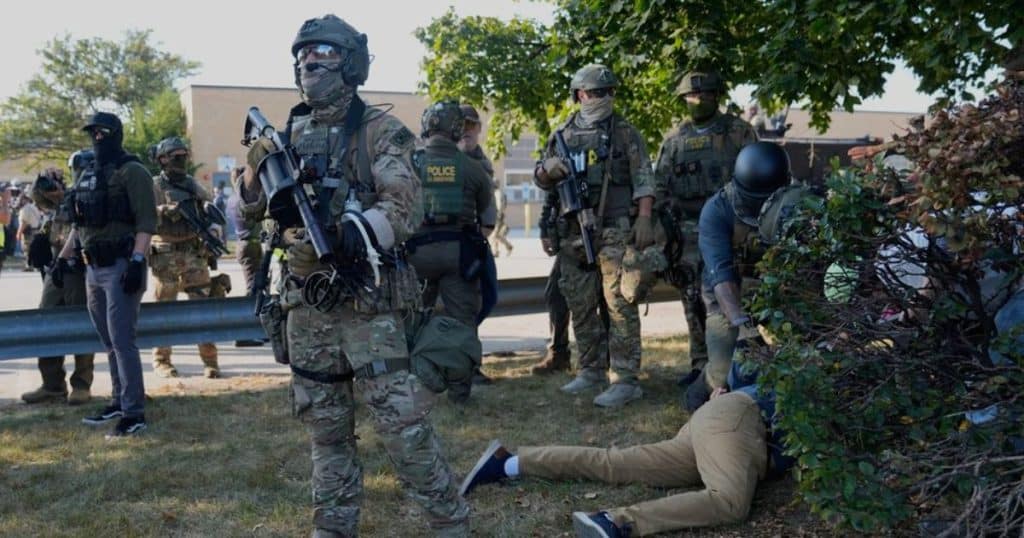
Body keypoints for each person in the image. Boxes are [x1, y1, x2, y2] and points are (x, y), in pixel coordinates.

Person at [241, 15, 469, 536]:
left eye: (323, 54)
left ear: (350, 63)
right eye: (303, 56)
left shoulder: (381, 131)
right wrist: (253, 180)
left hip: (369, 305)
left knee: (402, 428)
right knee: (326, 429)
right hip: (307, 305)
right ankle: (334, 526)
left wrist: (353, 233)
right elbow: (256, 215)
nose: (310, 64)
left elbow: (405, 208)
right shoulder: (287, 133)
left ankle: (449, 521)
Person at [458, 357, 792, 537]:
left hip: (714, 426)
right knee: (730, 502)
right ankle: (615, 523)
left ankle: (508, 463)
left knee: (616, 463)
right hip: (735, 420)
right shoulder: (819, 365)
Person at [533, 64, 656, 407]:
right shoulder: (562, 135)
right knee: (580, 302)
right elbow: (543, 184)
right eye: (596, 92)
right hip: (572, 231)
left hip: (615, 229)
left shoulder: (626, 133)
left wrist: (644, 218)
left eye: (608, 92)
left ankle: (626, 379)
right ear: (580, 95)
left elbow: (644, 177)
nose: (604, 98)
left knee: (619, 303)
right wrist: (547, 171)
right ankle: (590, 370)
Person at [54, 111, 157, 438]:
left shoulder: (133, 171)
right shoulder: (89, 173)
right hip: (93, 268)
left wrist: (138, 260)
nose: (97, 137)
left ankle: (134, 412)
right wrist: (62, 258)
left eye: (103, 132)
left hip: (121, 266)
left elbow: (146, 223)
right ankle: (118, 400)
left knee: (123, 341)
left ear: (115, 133)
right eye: (93, 133)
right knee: (109, 341)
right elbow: (79, 224)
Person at [654, 70, 757, 390]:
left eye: (704, 95)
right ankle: (700, 364)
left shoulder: (739, 132)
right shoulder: (674, 141)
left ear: (716, 97)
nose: (697, 101)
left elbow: (756, 178)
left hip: (731, 228)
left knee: (730, 295)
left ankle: (741, 360)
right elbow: (659, 187)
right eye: (691, 97)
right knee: (691, 299)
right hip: (687, 233)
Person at [689, 141, 793, 408]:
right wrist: (745, 330)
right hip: (728, 299)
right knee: (727, 373)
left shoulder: (796, 204)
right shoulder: (717, 211)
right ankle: (701, 389)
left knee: (797, 361)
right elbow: (720, 277)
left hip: (778, 293)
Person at [406, 100, 496, 399]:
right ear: (457, 129)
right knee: (461, 322)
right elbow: (487, 219)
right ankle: (460, 389)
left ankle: (414, 385)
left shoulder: (409, 164)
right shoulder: (472, 169)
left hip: (414, 256)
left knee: (409, 318)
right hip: (459, 256)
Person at [20, 161, 97, 405]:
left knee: (81, 325)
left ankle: (81, 385)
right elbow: (39, 199)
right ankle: (52, 385)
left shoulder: (91, 194)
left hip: (79, 268)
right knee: (46, 323)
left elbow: (83, 227)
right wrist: (44, 180)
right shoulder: (64, 196)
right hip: (56, 268)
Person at [147, 136, 222, 379]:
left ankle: (210, 361)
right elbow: (143, 216)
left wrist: (208, 214)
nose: (181, 159)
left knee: (201, 310)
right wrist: (164, 211)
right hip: (165, 255)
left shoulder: (192, 184)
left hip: (193, 252)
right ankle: (162, 361)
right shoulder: (155, 186)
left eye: (183, 154)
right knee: (164, 312)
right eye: (175, 155)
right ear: (163, 159)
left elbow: (208, 206)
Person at [531, 190, 612, 375]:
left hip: (603, 231)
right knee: (555, 294)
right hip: (571, 235)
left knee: (605, 298)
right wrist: (545, 228)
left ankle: (609, 357)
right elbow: (551, 193)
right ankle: (558, 354)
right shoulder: (561, 161)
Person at [228, 165, 266, 347]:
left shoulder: (233, 198)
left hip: (247, 244)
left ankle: (255, 329)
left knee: (256, 288)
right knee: (252, 289)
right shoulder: (242, 200)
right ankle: (243, 333)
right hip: (249, 244)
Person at [17, 191, 42, 271]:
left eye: (21, 199)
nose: (20, 200)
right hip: (36, 230)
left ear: (25, 199)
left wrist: (19, 232)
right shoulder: (34, 207)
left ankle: (29, 266)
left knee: (27, 249)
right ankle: (36, 265)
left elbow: (24, 222)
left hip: (28, 232)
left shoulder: (25, 209)